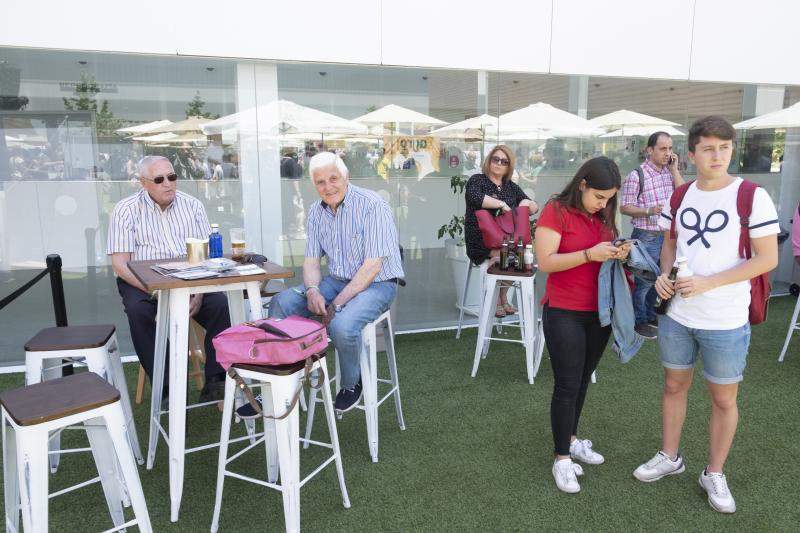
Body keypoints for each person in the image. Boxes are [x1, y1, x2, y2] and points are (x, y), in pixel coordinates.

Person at [633, 116, 779, 514]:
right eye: (710, 148)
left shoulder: (752, 196)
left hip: (726, 318)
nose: (718, 156)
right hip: (678, 314)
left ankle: (714, 471)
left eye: (725, 147)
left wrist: (710, 283)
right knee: (674, 386)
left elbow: (768, 258)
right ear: (692, 153)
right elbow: (670, 242)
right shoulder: (680, 197)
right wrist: (665, 275)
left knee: (723, 398)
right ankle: (670, 455)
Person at [239, 151, 404, 415]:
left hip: (378, 283)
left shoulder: (373, 206)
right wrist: (313, 289)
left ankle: (352, 382)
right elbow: (312, 262)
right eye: (320, 182)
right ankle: (279, 383)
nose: (328, 187)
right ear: (314, 184)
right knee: (282, 303)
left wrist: (336, 304)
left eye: (333, 179)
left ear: (346, 177)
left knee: (342, 325)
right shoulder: (316, 212)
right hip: (336, 281)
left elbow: (372, 267)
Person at [535, 156, 631, 494]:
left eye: (609, 199)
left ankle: (571, 439)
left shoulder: (603, 214)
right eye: (599, 197)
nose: (604, 204)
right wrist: (591, 254)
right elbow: (545, 261)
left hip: (599, 313)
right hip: (563, 310)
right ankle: (561, 458)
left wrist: (618, 252)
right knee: (566, 384)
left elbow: (602, 254)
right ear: (583, 185)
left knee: (582, 381)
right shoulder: (556, 210)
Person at [107, 155, 231, 402]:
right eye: (160, 179)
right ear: (144, 182)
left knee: (219, 304)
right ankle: (166, 386)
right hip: (141, 282)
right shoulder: (125, 210)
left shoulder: (192, 205)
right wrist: (155, 290)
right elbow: (120, 266)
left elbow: (206, 257)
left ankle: (216, 380)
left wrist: (199, 293)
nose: (168, 183)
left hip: (189, 278)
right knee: (138, 312)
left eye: (172, 177)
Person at [620, 131, 685, 339]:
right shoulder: (636, 175)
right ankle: (638, 321)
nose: (668, 153)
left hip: (666, 234)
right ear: (650, 150)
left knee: (662, 278)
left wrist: (674, 170)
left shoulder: (669, 172)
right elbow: (624, 207)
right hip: (645, 234)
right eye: (663, 149)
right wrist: (648, 211)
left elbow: (684, 192)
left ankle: (651, 316)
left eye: (670, 149)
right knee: (643, 281)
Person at [464, 145, 538, 317]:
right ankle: (496, 298)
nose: (498, 163)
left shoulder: (511, 187)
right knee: (508, 255)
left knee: (519, 255)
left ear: (508, 166)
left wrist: (526, 204)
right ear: (489, 160)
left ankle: (503, 295)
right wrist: (502, 204)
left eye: (504, 161)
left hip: (504, 238)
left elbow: (533, 207)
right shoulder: (477, 180)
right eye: (495, 159)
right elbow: (475, 196)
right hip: (480, 239)